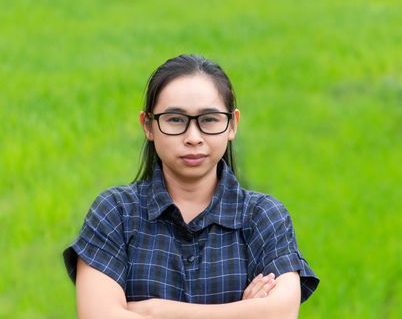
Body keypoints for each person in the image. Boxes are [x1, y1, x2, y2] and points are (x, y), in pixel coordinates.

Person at [63, 54, 319, 318]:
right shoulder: (116, 213)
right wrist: (245, 312)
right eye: (175, 120)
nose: (193, 138)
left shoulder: (263, 217)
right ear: (148, 126)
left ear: (232, 125)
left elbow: (280, 313)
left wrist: (152, 310)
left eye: (209, 119)